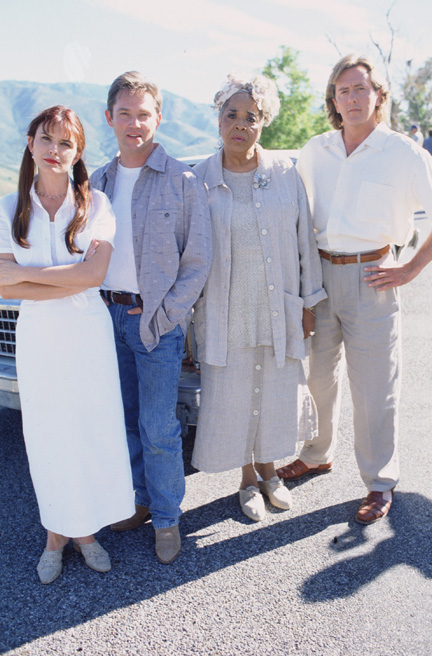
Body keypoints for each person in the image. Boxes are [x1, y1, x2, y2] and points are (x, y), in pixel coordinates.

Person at [276, 54, 432, 525]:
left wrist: (409, 270)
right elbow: (297, 218)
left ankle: (379, 482)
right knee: (318, 378)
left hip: (374, 277)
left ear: (379, 96)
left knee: (375, 389)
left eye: (361, 88)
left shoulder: (403, 153)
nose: (352, 97)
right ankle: (318, 452)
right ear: (334, 100)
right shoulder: (314, 150)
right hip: (321, 277)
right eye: (343, 90)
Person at [0, 106, 135, 583]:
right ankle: (57, 534)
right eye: (46, 140)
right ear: (30, 144)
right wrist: (63, 281)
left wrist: (25, 273)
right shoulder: (7, 208)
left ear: (78, 152)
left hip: (86, 335)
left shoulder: (95, 204)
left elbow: (94, 276)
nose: (54, 151)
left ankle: (86, 531)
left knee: (88, 430)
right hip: (39, 338)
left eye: (66, 143)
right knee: (47, 435)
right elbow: (3, 287)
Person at [191, 74, 327, 522]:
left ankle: (272, 474)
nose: (240, 124)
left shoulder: (286, 175)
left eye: (251, 116)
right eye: (231, 114)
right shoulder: (199, 180)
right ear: (219, 120)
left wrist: (309, 303)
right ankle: (247, 479)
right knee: (232, 394)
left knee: (274, 390)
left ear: (263, 123)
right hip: (225, 308)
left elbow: (305, 242)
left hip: (277, 304)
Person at [91, 72, 212, 564]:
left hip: (155, 325)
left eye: (144, 114)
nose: (134, 124)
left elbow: (198, 261)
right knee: (122, 419)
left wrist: (165, 317)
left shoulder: (182, 180)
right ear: (109, 118)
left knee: (159, 425)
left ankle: (167, 519)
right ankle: (139, 500)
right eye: (125, 113)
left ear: (158, 118)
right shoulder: (96, 182)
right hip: (105, 319)